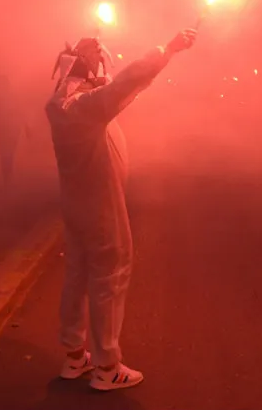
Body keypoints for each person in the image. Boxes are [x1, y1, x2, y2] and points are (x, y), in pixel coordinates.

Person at [46, 29, 197, 391]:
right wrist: (168, 48)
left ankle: (74, 356)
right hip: (100, 206)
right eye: (99, 64)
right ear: (88, 70)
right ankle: (107, 367)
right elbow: (125, 84)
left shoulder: (60, 103)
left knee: (78, 276)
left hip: (76, 205)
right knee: (109, 279)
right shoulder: (85, 108)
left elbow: (113, 90)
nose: (104, 71)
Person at [0, 75, 26, 185]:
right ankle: (7, 176)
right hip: (7, 128)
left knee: (6, 154)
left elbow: (19, 111)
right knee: (8, 153)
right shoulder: (1, 97)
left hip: (8, 128)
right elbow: (19, 111)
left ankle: (7, 176)